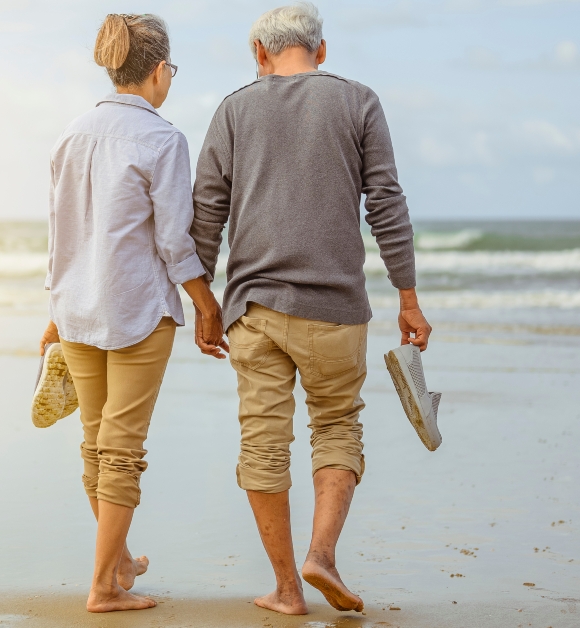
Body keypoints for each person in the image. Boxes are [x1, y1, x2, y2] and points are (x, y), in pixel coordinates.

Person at [189, 2, 433, 616]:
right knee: (337, 426)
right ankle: (321, 554)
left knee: (264, 444)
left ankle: (287, 589)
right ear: (321, 52)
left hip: (255, 309)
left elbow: (206, 214)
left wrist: (204, 304)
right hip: (336, 310)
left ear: (260, 56)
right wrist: (407, 295)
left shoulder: (234, 109)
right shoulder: (358, 101)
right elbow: (386, 203)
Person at [39, 12, 227, 614]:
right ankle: (101, 588)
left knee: (96, 445)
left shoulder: (71, 134)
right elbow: (175, 241)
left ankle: (116, 564)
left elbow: (59, 234)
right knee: (121, 449)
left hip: (77, 310)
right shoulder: (163, 139)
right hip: (138, 311)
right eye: (171, 69)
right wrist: (205, 303)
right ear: (158, 71)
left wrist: (53, 310)